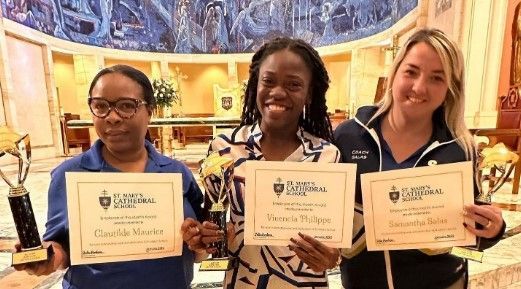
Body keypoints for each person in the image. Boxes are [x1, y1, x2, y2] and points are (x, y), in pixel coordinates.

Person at [334, 28, 506, 289]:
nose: (419, 87)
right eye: (411, 72)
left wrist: (493, 230)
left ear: (451, 87)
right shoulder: (349, 135)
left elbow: (470, 233)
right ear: (395, 72)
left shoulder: (460, 148)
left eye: (437, 78)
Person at [14, 64, 204, 289]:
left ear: (150, 112)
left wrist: (199, 241)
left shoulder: (177, 173)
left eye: (126, 106)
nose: (112, 117)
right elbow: (61, 248)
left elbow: (199, 246)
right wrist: (45, 259)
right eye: (101, 106)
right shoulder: (69, 174)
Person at [182, 37, 341, 288]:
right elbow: (213, 237)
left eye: (293, 84)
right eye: (268, 81)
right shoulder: (223, 150)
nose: (278, 92)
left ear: (309, 94)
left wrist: (332, 258)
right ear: (256, 85)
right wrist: (205, 238)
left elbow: (332, 244)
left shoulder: (327, 155)